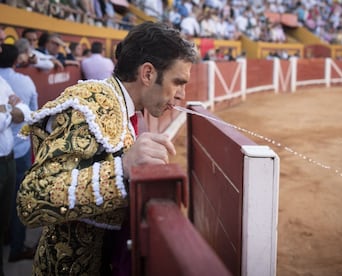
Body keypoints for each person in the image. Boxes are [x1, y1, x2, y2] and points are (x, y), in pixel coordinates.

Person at [16, 21, 198, 275]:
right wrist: (122, 167)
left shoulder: (123, 107)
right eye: (178, 82)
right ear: (147, 74)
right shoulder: (90, 105)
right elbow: (31, 200)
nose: (181, 94)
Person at [0, 43, 39, 264]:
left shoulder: (4, 82)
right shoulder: (24, 81)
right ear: (16, 60)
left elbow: (23, 110)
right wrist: (11, 109)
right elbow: (29, 112)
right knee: (17, 200)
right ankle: (16, 246)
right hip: (20, 148)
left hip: (8, 150)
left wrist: (8, 110)